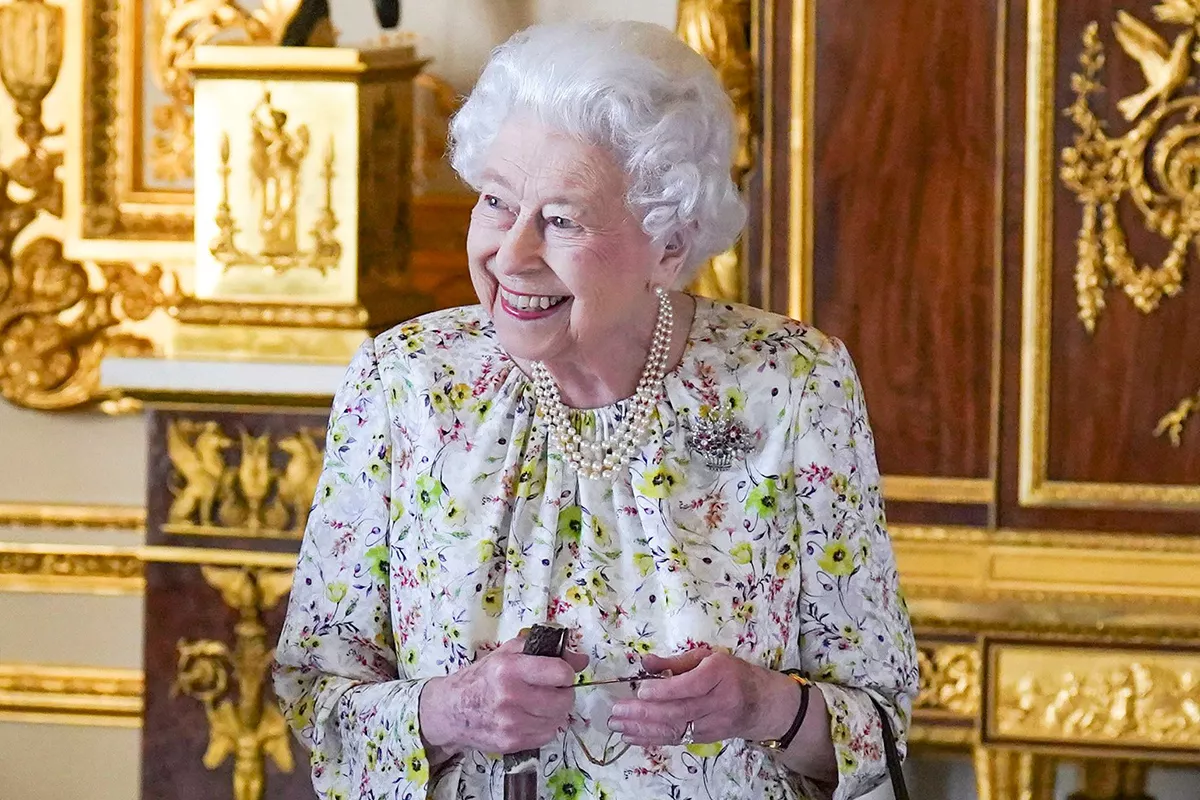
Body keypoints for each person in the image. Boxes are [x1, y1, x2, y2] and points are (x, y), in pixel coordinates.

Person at [273, 19, 919, 800]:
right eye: (495, 202)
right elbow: (316, 701)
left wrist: (763, 706)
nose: (509, 254)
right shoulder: (404, 383)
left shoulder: (792, 385)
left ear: (669, 244)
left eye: (561, 220)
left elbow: (879, 724)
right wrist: (452, 710)